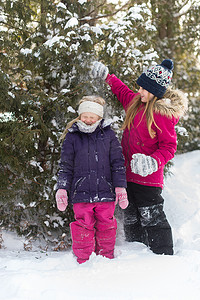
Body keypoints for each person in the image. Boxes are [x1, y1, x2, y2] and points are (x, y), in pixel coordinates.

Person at [90, 60, 188, 255]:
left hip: (149, 180)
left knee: (152, 216)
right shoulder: (135, 103)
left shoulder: (162, 115)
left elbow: (169, 147)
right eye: (140, 87)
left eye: (145, 89)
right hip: (127, 176)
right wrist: (108, 76)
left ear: (156, 91)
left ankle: (163, 253)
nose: (140, 91)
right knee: (131, 216)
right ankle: (136, 251)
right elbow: (122, 90)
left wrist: (153, 161)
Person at [55, 95, 128, 264]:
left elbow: (117, 163)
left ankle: (106, 258)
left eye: (91, 117)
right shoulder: (72, 137)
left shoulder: (108, 135)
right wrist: (62, 188)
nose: (87, 120)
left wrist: (120, 187)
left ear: (99, 117)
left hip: (106, 192)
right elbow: (66, 165)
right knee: (83, 226)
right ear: (79, 116)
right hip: (81, 193)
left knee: (106, 225)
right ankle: (84, 260)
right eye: (84, 116)